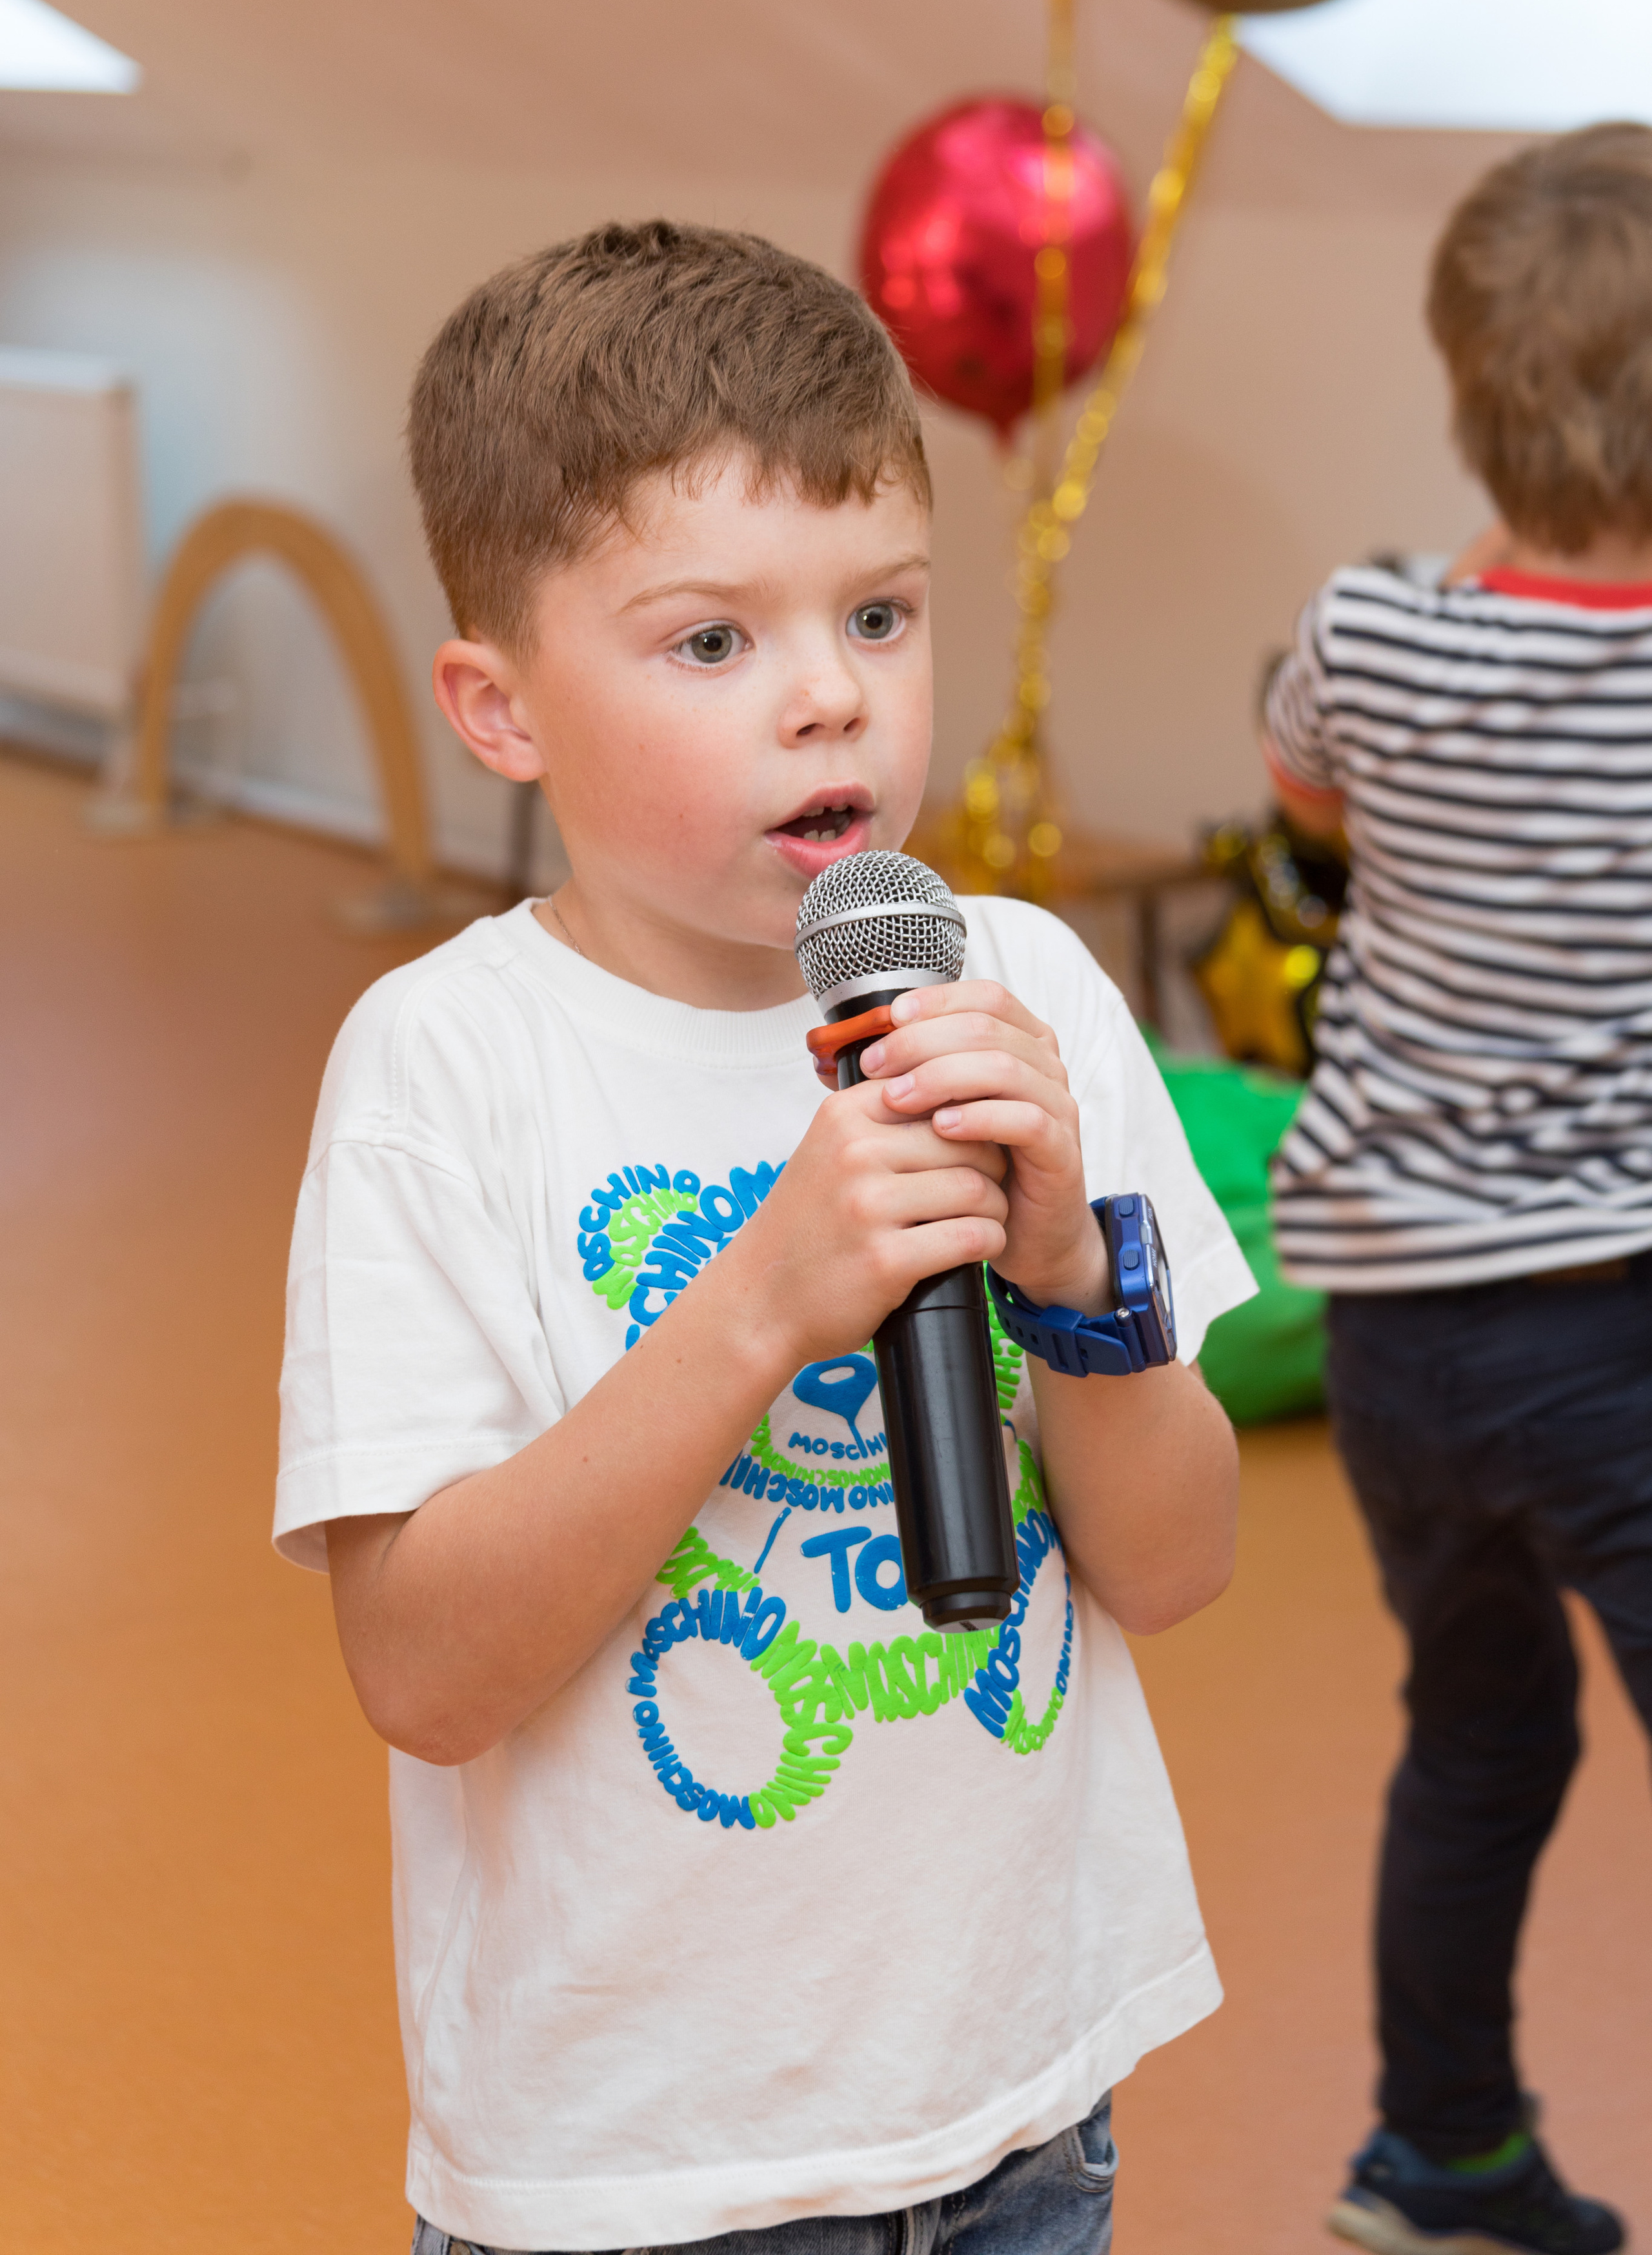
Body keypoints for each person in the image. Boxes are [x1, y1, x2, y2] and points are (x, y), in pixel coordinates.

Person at [275, 221, 1256, 2255]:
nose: (830, 702)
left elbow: (1174, 1564)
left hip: (1019, 2109)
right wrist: (761, 1311)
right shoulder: (448, 1067)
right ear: (501, 704)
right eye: (712, 643)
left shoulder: (1029, 988)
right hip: (642, 2170)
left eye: (881, 617)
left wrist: (1077, 1286)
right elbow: (424, 1670)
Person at [1263, 124, 1652, 2255]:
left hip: (1401, 1331)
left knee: (1481, 1742)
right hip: (1617, 1320)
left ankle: (1444, 2154)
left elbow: (1301, 797)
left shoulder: (1367, 634)